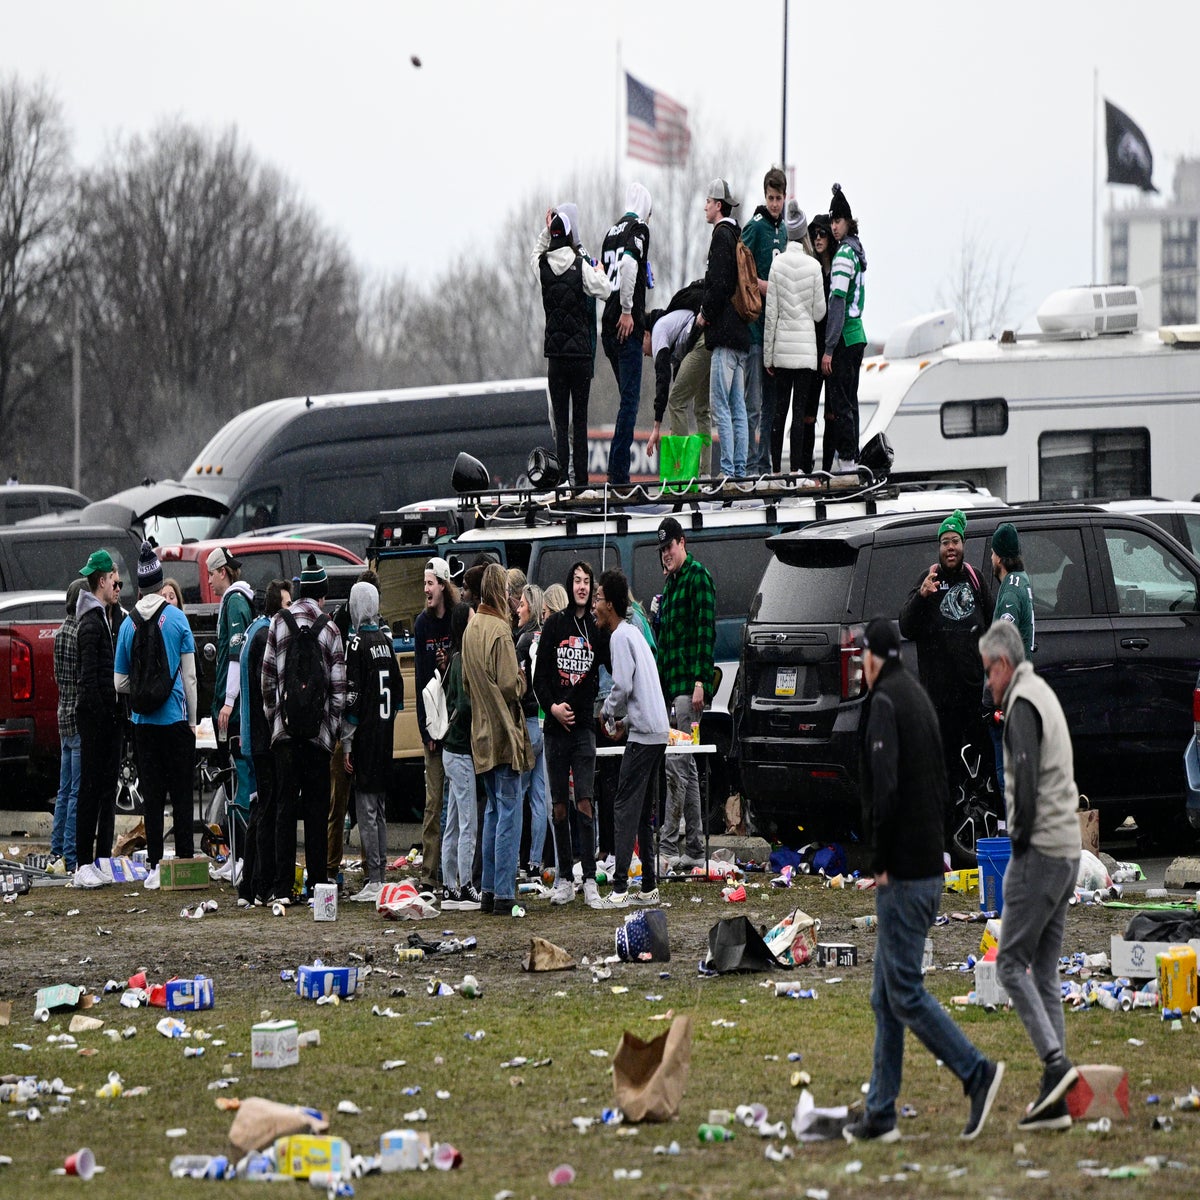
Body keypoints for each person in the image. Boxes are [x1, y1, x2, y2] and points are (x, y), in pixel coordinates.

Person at [846, 617, 1004, 1142]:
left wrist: (881, 857)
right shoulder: (914, 696)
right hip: (924, 865)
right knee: (884, 996)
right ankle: (881, 1110)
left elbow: (884, 789)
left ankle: (976, 1072)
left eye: (861, 657)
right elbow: (937, 784)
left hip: (906, 873)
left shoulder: (887, 703)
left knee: (905, 991)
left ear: (874, 657)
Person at [981, 619, 1081, 1133]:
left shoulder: (1021, 703)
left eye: (987, 672)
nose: (987, 684)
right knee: (1044, 971)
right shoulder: (1043, 691)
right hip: (1068, 851)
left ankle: (1056, 1065)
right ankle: (1057, 1100)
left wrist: (1017, 844)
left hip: (1039, 851)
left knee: (1010, 965)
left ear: (1002, 664)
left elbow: (1024, 771)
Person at [261, 555, 346, 903]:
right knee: (315, 810)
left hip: (284, 734)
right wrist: (331, 730)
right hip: (318, 737)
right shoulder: (331, 628)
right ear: (322, 594)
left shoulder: (278, 623)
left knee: (284, 809)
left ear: (297, 592)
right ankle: (317, 886)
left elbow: (267, 677)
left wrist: (276, 720)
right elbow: (339, 690)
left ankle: (283, 888)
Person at [114, 541, 198, 890]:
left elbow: (118, 682)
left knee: (152, 795)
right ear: (160, 580)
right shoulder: (177, 619)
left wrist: (142, 689)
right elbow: (191, 677)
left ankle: (153, 863)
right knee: (181, 794)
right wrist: (192, 720)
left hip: (143, 723)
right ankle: (185, 860)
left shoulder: (127, 625)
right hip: (175, 720)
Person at [899, 509, 992, 806]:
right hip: (940, 699)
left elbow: (992, 629)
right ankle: (946, 841)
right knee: (944, 770)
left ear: (963, 545)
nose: (950, 547)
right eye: (945, 543)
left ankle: (983, 823)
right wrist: (921, 596)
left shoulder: (976, 580)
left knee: (982, 766)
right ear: (938, 548)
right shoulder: (928, 580)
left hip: (973, 696)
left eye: (955, 541)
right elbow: (906, 627)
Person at [462, 563, 533, 916]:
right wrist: (522, 677)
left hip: (480, 734)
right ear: (499, 591)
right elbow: (509, 685)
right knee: (509, 811)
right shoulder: (501, 632)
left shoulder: (471, 626)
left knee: (492, 810)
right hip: (504, 732)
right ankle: (504, 892)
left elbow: (464, 683)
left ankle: (488, 888)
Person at [594, 569, 668, 908]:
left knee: (623, 806)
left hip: (644, 736)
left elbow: (621, 687)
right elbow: (639, 689)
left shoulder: (620, 636)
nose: (594, 605)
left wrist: (608, 713)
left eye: (597, 598)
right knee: (640, 812)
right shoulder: (636, 632)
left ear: (609, 604)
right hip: (656, 731)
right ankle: (649, 885)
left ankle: (621, 888)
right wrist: (626, 720)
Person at [534, 560, 604, 906]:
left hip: (584, 728)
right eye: (576, 580)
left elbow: (603, 675)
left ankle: (589, 877)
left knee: (585, 802)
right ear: (569, 584)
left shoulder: (596, 627)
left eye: (586, 581)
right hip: (554, 729)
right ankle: (564, 876)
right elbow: (539, 679)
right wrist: (553, 709)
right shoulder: (555, 625)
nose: (581, 586)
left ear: (592, 588)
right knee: (559, 806)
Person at [532, 207, 612, 488]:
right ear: (569, 235)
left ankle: (562, 478)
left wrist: (546, 229)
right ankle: (582, 481)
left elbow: (534, 252)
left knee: (562, 425)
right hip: (579, 355)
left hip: (555, 357)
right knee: (580, 422)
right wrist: (599, 270)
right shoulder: (580, 265)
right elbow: (605, 289)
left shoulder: (542, 266)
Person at [655, 517, 716, 869]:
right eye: (662, 549)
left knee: (675, 765)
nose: (666, 554)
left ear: (683, 542)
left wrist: (700, 683)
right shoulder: (672, 584)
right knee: (687, 766)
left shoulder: (697, 577)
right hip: (671, 688)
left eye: (670, 547)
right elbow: (666, 639)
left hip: (686, 690)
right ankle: (694, 846)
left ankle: (667, 845)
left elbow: (705, 632)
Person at [341, 581, 401, 905]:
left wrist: (347, 744)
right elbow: (399, 691)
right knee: (379, 810)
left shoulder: (357, 644)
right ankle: (381, 874)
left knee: (366, 810)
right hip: (385, 734)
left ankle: (375, 878)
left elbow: (352, 697)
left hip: (365, 736)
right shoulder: (386, 642)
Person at [238, 578, 290, 907]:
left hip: (255, 735)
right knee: (266, 809)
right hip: (263, 737)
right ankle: (260, 882)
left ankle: (250, 883)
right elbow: (265, 692)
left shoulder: (255, 633)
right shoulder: (264, 637)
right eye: (287, 604)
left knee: (261, 807)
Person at [72, 550, 123, 889]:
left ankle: (94, 860)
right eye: (113, 580)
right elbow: (89, 680)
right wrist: (105, 716)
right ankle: (82, 863)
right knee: (89, 791)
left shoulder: (102, 617)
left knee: (102, 788)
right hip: (94, 721)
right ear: (102, 581)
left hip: (103, 718)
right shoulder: (91, 623)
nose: (115, 585)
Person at [764, 201, 827, 473]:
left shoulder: (777, 265)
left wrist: (768, 356)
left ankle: (776, 469)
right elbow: (819, 313)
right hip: (805, 354)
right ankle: (797, 471)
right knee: (799, 414)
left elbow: (771, 316)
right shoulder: (813, 267)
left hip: (781, 352)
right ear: (803, 235)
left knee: (779, 412)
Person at [600, 182, 653, 486]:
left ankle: (617, 467)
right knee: (630, 402)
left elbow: (603, 273)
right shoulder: (640, 228)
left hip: (607, 324)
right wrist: (628, 309)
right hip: (624, 323)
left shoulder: (610, 232)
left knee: (625, 401)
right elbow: (630, 264)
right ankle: (618, 473)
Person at [699, 179, 751, 478]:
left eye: (708, 201)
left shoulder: (721, 236)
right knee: (738, 409)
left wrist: (705, 313)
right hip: (741, 335)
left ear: (719, 205)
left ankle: (730, 472)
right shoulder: (736, 235)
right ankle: (740, 470)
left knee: (721, 408)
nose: (705, 206)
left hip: (725, 335)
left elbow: (719, 285)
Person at [413, 556, 458, 891]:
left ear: (443, 585)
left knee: (458, 804)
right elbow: (418, 681)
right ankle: (428, 874)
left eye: (430, 583)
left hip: (457, 723)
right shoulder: (421, 625)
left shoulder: (458, 619)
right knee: (433, 803)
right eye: (424, 583)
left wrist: (449, 663)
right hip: (433, 724)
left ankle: (452, 872)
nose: (426, 589)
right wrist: (425, 730)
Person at [741, 167, 789, 475]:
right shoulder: (755, 227)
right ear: (765, 196)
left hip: (777, 331)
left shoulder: (784, 230)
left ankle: (765, 462)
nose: (774, 204)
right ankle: (748, 462)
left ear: (785, 198)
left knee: (772, 405)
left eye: (779, 198)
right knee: (753, 403)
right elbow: (740, 263)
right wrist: (760, 284)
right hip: (755, 328)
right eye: (770, 198)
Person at [642, 280, 713, 478]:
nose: (644, 354)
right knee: (701, 409)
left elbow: (662, 379)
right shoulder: (670, 324)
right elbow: (677, 374)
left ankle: (685, 471)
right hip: (708, 341)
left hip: (700, 344)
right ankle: (705, 471)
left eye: (641, 346)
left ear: (645, 335)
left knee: (676, 402)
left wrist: (657, 426)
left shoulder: (657, 332)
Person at [820, 183, 868, 472]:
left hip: (844, 338)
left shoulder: (842, 257)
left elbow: (837, 302)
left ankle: (847, 460)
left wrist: (828, 348)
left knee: (840, 403)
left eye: (838, 221)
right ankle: (854, 454)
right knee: (852, 401)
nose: (834, 227)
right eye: (833, 221)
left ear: (848, 222)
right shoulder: (859, 253)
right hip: (859, 333)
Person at [209, 546, 256, 840]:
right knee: (233, 778)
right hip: (231, 708)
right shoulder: (231, 602)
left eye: (211, 574)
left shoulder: (236, 602)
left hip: (236, 711)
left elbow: (237, 655)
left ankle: (243, 853)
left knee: (241, 778)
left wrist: (228, 702)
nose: (210, 581)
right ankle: (235, 850)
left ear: (223, 572)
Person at [988, 522, 1035, 793]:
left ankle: (1016, 834)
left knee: (1008, 776)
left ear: (1001, 557)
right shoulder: (1023, 580)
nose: (992, 559)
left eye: (994, 554)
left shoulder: (1009, 590)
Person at [440, 601, 481, 910]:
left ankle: (448, 884)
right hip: (462, 750)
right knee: (468, 821)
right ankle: (465, 885)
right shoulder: (465, 659)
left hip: (448, 750)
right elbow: (465, 705)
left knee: (453, 820)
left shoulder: (453, 658)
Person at [49, 578, 85, 877]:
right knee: (76, 791)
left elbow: (58, 677)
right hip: (78, 717)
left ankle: (56, 850)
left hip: (62, 715)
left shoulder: (59, 633)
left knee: (63, 791)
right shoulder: (79, 634)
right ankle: (71, 856)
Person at [514, 583, 548, 879]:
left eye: (522, 604)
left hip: (526, 719)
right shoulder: (545, 635)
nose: (518, 609)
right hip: (543, 721)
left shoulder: (523, 641)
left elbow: (516, 682)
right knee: (539, 797)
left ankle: (513, 858)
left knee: (517, 793)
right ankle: (536, 861)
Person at [805, 212, 837, 471]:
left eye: (822, 233)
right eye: (814, 233)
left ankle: (826, 468)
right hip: (812, 349)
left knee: (832, 414)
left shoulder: (837, 270)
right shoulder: (811, 269)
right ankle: (805, 467)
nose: (817, 238)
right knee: (808, 413)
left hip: (832, 349)